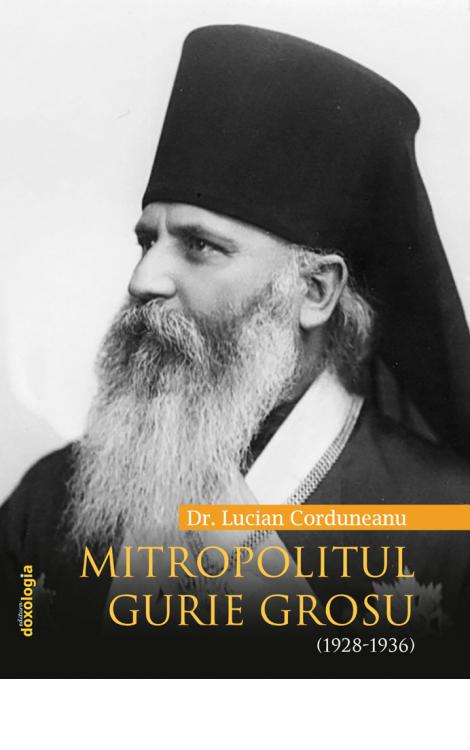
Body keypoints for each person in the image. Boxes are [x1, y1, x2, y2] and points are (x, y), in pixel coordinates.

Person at [1, 24, 470, 677]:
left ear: (315, 291)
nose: (143, 279)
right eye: (147, 241)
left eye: (199, 245)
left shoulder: (449, 521)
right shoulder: (47, 500)